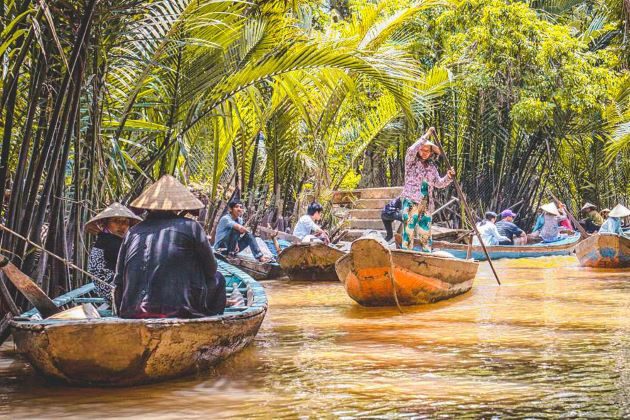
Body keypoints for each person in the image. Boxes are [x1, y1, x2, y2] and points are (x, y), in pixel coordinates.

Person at [114, 175, 225, 319]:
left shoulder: (133, 231)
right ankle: (211, 324)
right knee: (218, 278)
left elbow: (118, 279)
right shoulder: (191, 227)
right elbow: (211, 269)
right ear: (178, 208)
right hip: (180, 310)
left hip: (131, 311)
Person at [399, 127, 454, 251]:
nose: (424, 152)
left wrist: (449, 177)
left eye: (427, 151)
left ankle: (426, 255)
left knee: (425, 233)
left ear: (431, 153)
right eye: (422, 150)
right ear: (419, 150)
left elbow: (439, 183)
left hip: (426, 204)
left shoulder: (432, 168)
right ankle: (406, 254)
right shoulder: (411, 163)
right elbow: (410, 150)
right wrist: (427, 134)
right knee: (409, 231)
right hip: (411, 201)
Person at [85, 203, 142, 303]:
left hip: (112, 292)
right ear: (105, 224)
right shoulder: (110, 242)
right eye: (116, 221)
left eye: (125, 222)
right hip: (115, 293)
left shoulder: (106, 239)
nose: (122, 226)